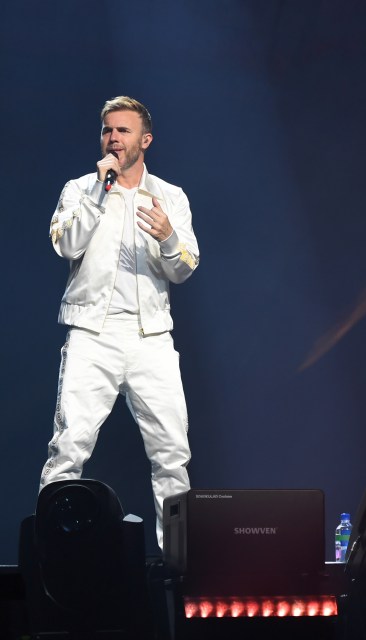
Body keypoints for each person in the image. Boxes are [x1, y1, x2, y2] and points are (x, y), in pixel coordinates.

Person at [42, 96, 200, 549]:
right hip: (92, 334)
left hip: (151, 337)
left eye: (123, 131)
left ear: (145, 140)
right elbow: (66, 245)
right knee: (69, 448)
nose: (113, 138)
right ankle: (53, 557)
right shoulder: (80, 188)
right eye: (108, 130)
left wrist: (168, 236)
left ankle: (180, 566)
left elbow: (186, 267)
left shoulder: (171, 197)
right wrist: (99, 190)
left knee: (172, 454)